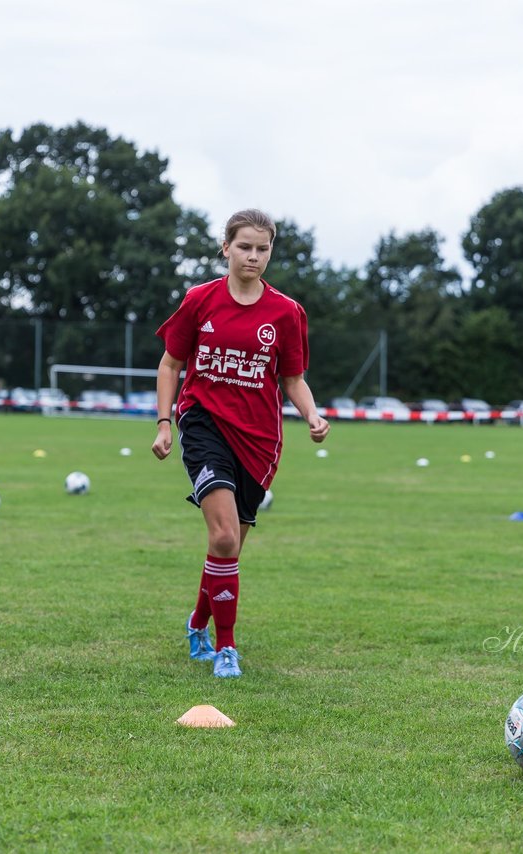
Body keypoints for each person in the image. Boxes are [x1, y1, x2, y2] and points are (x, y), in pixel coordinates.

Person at [151, 209, 329, 679]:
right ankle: (226, 647)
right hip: (203, 424)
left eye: (262, 248)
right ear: (226, 247)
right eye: (245, 246)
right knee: (226, 536)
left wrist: (311, 414)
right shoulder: (199, 300)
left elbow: (293, 378)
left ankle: (197, 623)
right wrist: (165, 422)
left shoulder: (286, 312)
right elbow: (171, 365)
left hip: (259, 439)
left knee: (227, 547)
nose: (253, 256)